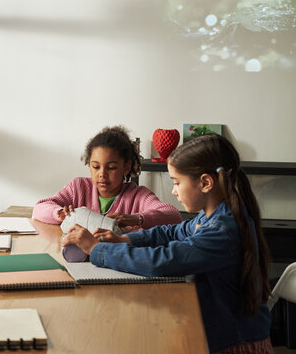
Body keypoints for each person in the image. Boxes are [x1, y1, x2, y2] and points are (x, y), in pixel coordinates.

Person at [62, 134, 272, 353]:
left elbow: (163, 261)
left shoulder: (222, 231)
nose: (173, 191)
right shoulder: (210, 216)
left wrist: (98, 250)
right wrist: (125, 239)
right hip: (220, 335)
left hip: (235, 344)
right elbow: (172, 232)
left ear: (206, 183)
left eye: (177, 182)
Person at [33, 125, 181, 231]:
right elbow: (39, 208)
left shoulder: (138, 195)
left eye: (111, 168)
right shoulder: (78, 187)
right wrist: (59, 213)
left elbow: (173, 216)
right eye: (96, 167)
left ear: (126, 167)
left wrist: (137, 218)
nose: (102, 174)